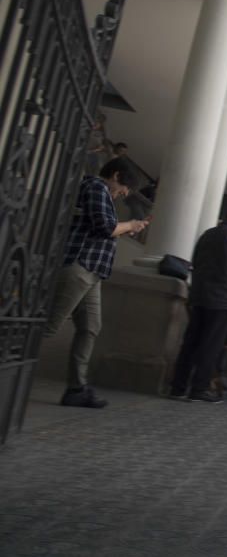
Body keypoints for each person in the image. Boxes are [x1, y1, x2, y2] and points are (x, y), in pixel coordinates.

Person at [42, 158, 148, 408]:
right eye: (125, 187)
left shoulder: (103, 195)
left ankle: (77, 388)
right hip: (80, 266)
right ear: (116, 175)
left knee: (90, 327)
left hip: (93, 272)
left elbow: (108, 227)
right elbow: (105, 227)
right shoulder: (95, 188)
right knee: (48, 326)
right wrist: (130, 225)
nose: (124, 194)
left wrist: (125, 228)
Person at [168, 201, 227, 403]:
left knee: (191, 341)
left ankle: (178, 387)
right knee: (210, 345)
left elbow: (195, 261)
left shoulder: (208, 234)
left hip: (199, 294)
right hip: (222, 298)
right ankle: (199, 388)